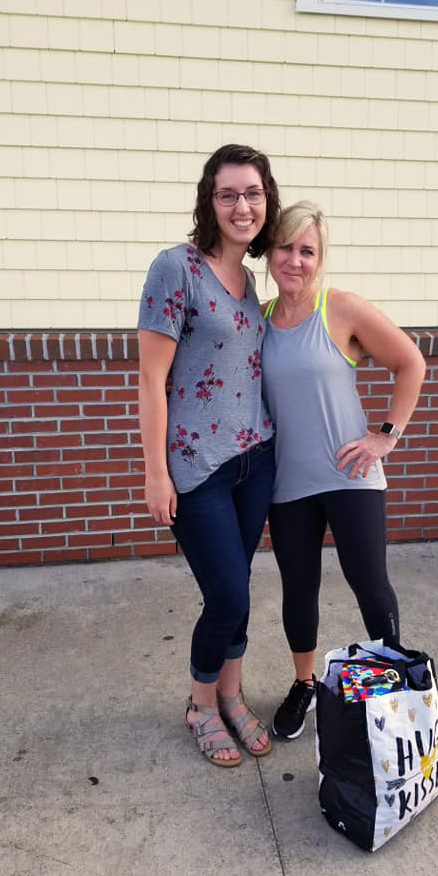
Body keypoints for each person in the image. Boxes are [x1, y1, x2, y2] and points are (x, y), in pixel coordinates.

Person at [137, 144, 281, 766]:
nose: (242, 205)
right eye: (228, 194)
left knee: (240, 586)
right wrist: (154, 473)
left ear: (265, 200)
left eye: (252, 193)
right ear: (209, 200)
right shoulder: (177, 269)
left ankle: (232, 692)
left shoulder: (251, 281)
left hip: (256, 461)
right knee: (227, 595)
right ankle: (201, 705)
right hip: (197, 469)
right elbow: (149, 380)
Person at [261, 201, 427, 739]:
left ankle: (400, 681)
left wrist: (386, 436)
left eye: (307, 250)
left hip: (350, 475)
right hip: (288, 483)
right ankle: (304, 685)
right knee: (298, 588)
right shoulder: (257, 320)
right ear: (270, 251)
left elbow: (411, 362)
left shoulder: (342, 309)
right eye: (285, 246)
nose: (295, 259)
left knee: (368, 581)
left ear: (320, 259)